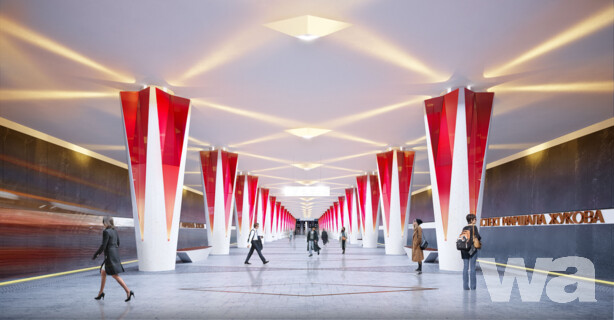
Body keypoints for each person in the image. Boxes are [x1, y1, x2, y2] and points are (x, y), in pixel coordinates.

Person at [92, 216, 134, 302]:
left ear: (106, 223)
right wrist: (112, 248)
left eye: (103, 222)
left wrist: (96, 254)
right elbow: (118, 243)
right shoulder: (115, 231)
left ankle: (128, 291)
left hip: (109, 257)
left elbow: (103, 246)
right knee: (103, 272)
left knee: (115, 275)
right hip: (114, 255)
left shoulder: (106, 232)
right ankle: (100, 293)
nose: (103, 224)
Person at [461, 213, 481, 290]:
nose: (476, 220)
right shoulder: (474, 227)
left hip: (464, 249)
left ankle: (465, 287)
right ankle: (473, 287)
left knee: (465, 267)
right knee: (472, 268)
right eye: (475, 219)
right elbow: (478, 237)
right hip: (472, 249)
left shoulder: (464, 228)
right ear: (471, 220)